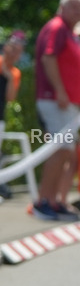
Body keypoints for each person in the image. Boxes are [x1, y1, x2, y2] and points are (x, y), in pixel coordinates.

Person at [32, 0, 80, 221]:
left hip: (67, 103)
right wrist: (61, 91)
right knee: (60, 150)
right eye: (74, 7)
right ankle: (43, 201)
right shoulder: (57, 28)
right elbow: (49, 59)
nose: (79, 12)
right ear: (62, 8)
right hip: (55, 100)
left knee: (66, 153)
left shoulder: (70, 32)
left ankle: (54, 201)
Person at [0, 30, 26, 200]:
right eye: (12, 49)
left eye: (18, 51)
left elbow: (10, 98)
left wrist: (8, 77)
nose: (14, 54)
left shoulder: (15, 73)